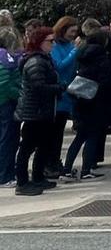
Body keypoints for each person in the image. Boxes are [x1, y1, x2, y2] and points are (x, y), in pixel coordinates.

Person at [14, 27, 64, 196]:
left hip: (43, 110)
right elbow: (39, 87)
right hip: (34, 112)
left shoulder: (44, 59)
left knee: (43, 145)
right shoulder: (35, 61)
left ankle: (37, 177)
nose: (53, 44)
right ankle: (22, 182)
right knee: (27, 147)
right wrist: (59, 88)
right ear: (40, 42)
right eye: (50, 41)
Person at [62, 29, 111, 182]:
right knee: (92, 136)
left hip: (80, 100)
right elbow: (105, 80)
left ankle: (66, 169)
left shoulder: (81, 54)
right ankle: (86, 170)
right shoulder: (102, 56)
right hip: (95, 101)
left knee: (79, 137)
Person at [47, 17, 80, 179]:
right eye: (71, 31)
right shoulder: (56, 46)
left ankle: (56, 161)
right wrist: (75, 51)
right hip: (58, 93)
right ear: (63, 29)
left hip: (69, 92)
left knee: (59, 133)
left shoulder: (70, 45)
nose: (73, 35)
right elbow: (59, 65)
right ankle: (50, 163)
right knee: (53, 132)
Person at [0, 27, 23, 189]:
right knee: (8, 139)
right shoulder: (5, 57)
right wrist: (19, 93)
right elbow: (5, 82)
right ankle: (5, 175)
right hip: (6, 103)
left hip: (5, 101)